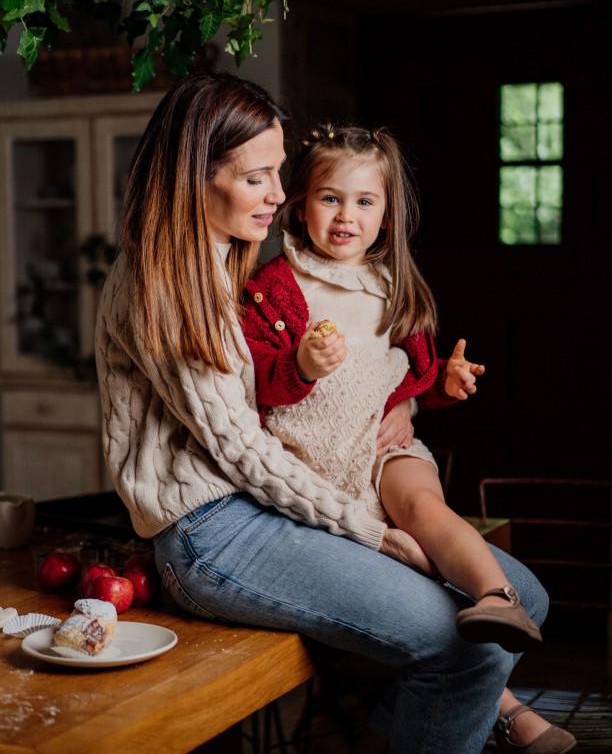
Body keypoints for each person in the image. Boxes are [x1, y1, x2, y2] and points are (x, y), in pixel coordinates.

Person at [94, 72, 567, 754]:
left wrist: (396, 412)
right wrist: (369, 532)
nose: (281, 195)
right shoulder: (161, 283)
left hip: (271, 506)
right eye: (258, 178)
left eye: (278, 173)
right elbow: (241, 449)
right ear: (196, 177)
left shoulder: (229, 259)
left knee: (525, 598)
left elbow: (311, 402)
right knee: (459, 641)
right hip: (209, 531)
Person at [240, 122, 540, 653]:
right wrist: (301, 366)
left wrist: (439, 384)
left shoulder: (392, 288)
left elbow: (409, 376)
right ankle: (508, 709)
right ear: (301, 204)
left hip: (384, 454)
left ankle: (497, 596)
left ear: (385, 215)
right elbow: (255, 384)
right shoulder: (271, 289)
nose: (345, 216)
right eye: (330, 198)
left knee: (424, 509)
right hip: (314, 472)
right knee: (417, 578)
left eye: (364, 201)